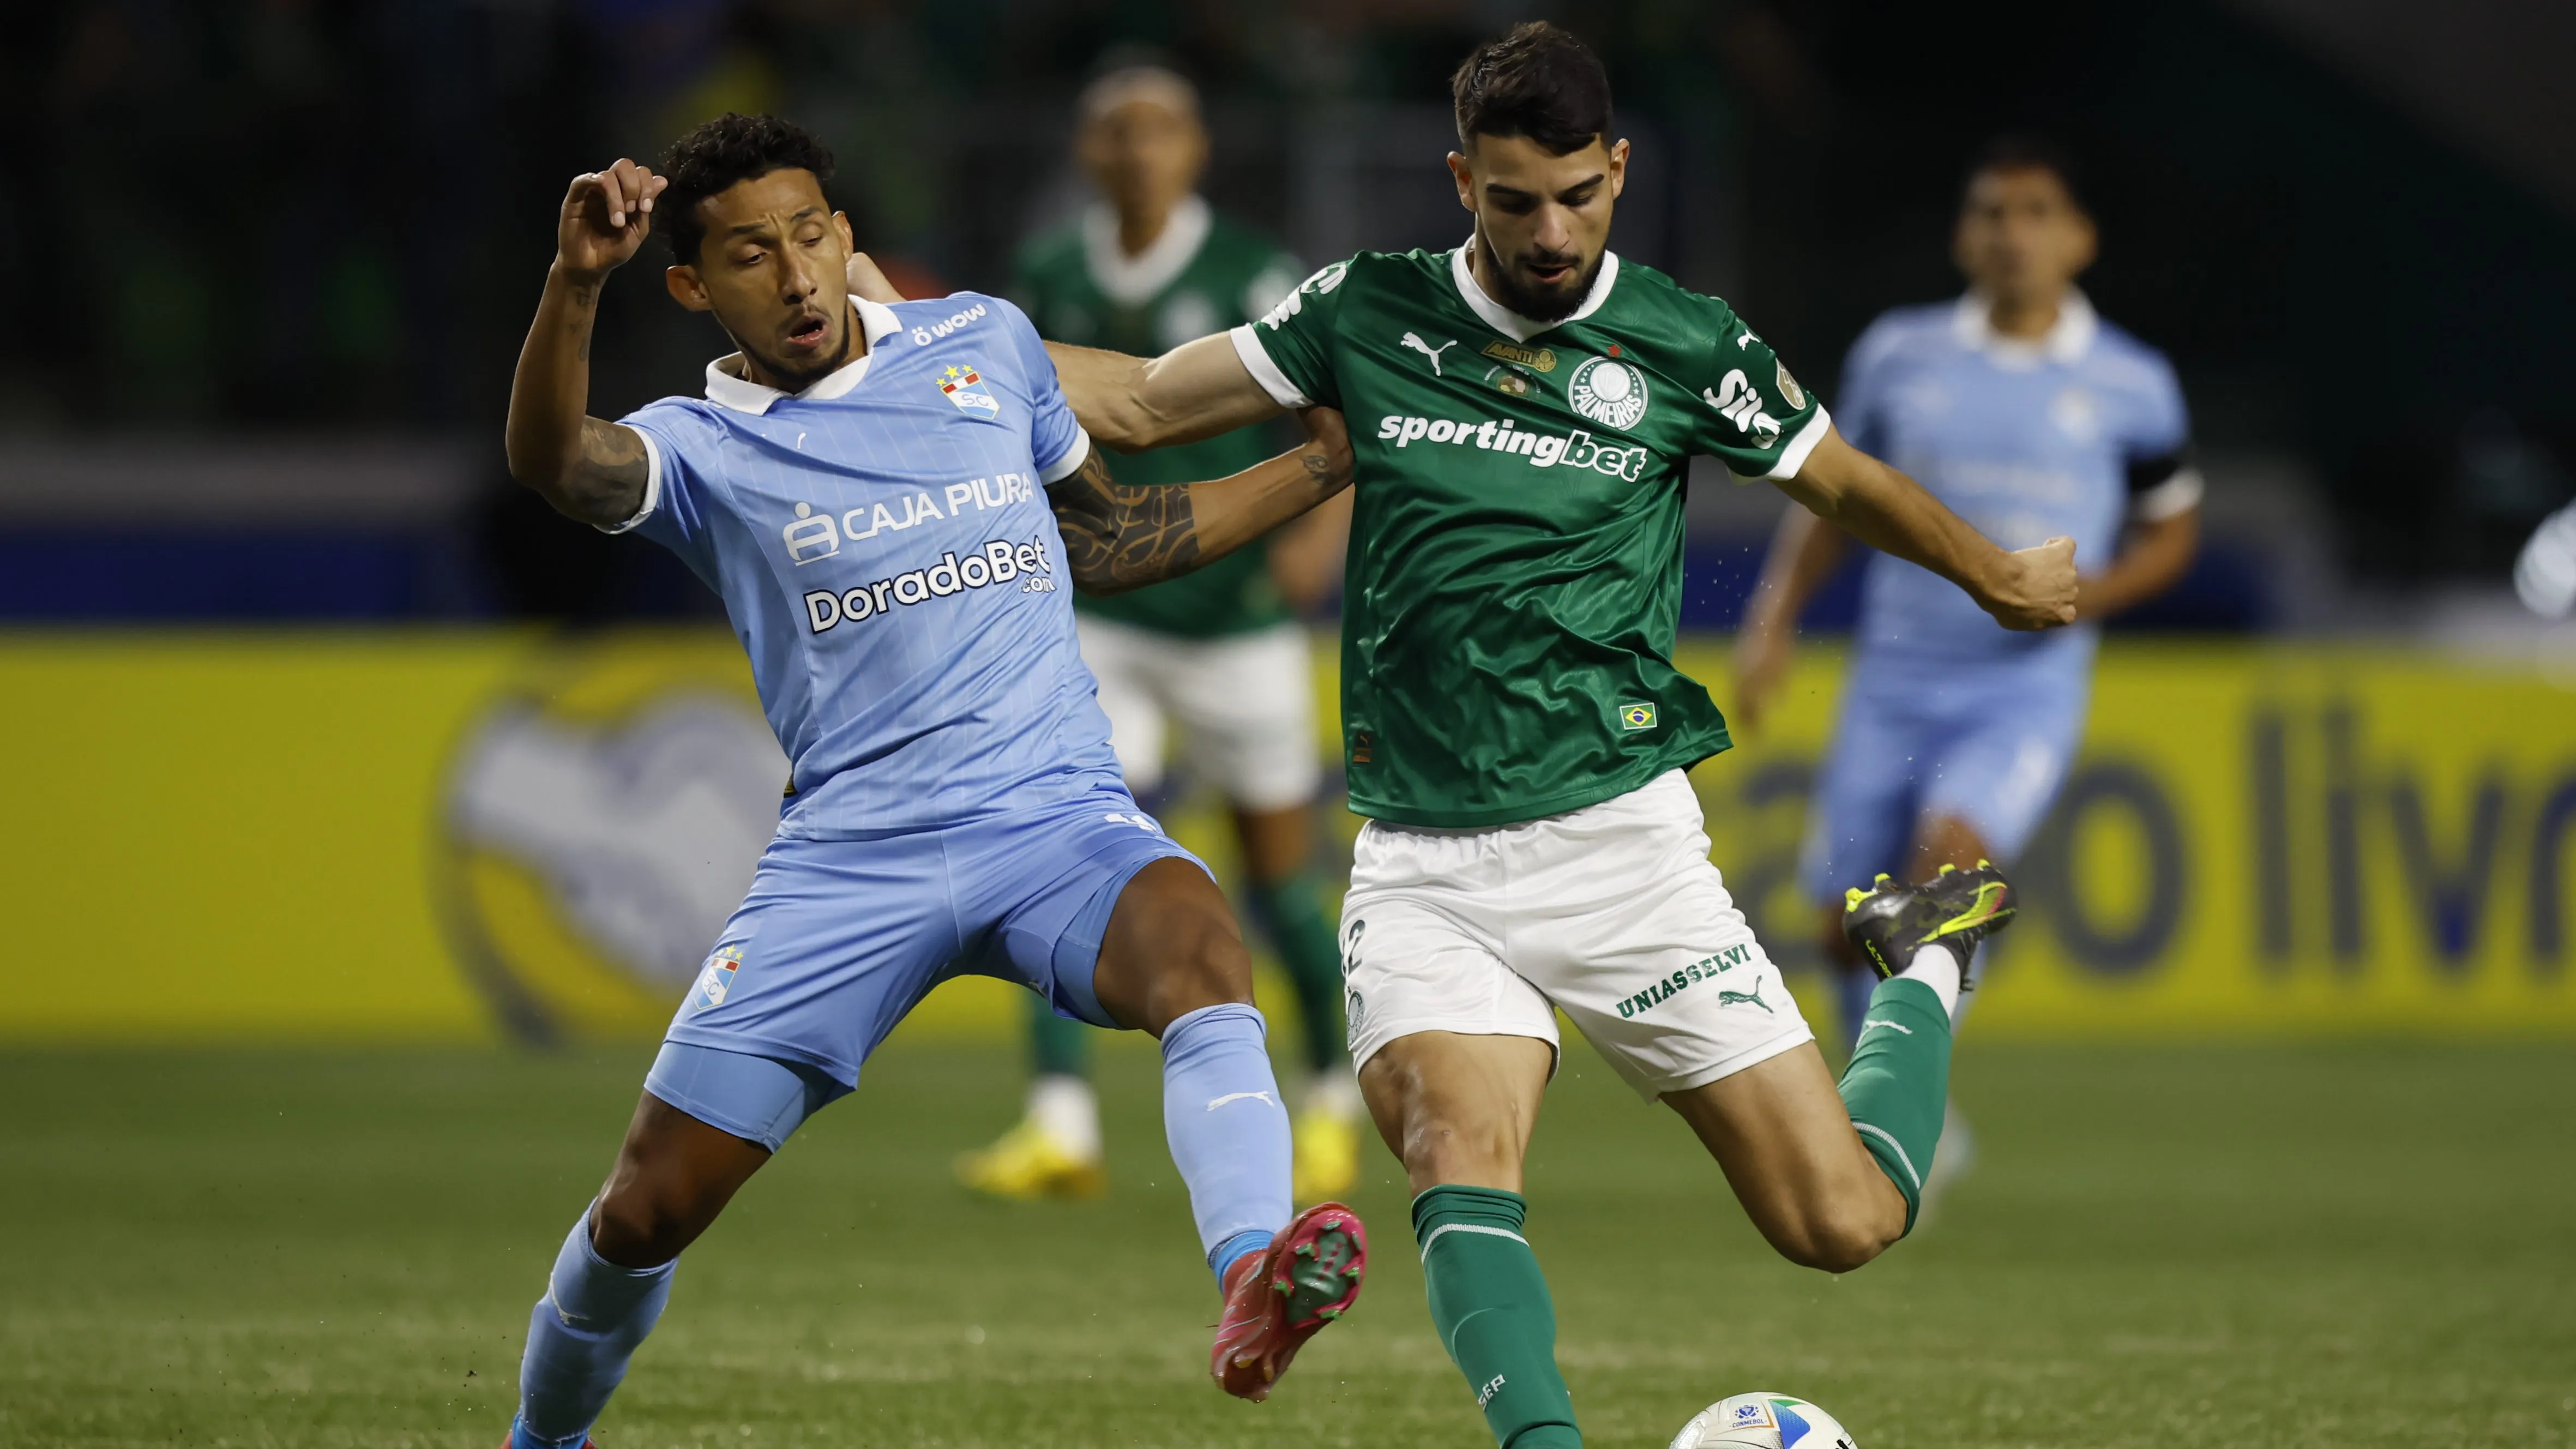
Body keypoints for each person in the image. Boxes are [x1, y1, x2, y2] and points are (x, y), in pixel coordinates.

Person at [1038, 24, 2077, 1449]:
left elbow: (1838, 480)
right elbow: (1147, 403)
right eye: (1513, 200)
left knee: (1842, 1221)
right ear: (1462, 179)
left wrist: (1993, 571)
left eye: (1578, 196)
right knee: (1455, 1154)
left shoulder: (1682, 340)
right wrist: (910, 350)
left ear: (1618, 172)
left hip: (1621, 848)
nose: (1549, 232)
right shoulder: (1365, 311)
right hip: (1424, 866)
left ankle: (1928, 954)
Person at [493, 113, 1370, 1447]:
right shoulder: (699, 447)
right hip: (852, 863)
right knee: (644, 1208)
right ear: (692, 286)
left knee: (1201, 947)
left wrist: (1317, 463)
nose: (790, 278)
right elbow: (555, 463)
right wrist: (572, 285)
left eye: (806, 236)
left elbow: (1117, 536)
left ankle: (1252, 1275)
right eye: (746, 254)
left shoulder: (982, 343)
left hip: (1056, 821)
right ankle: (540, 1439)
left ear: (844, 238)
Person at [1732, 137, 2202, 1213]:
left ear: (2078, 237)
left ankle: (1903, 1127)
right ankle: (1880, 1101)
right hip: (1894, 678)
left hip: (2021, 687)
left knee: (1948, 864)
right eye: (1992, 212)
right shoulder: (1901, 355)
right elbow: (1837, 499)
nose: (2012, 233)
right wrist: (1772, 620)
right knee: (1843, 917)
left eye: (2037, 212)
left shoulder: (2131, 383)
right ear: (1962, 234)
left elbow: (2172, 534)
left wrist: (2083, 603)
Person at [956, 62, 1363, 1206]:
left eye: (1159, 130)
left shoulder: (1249, 270)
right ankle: (1059, 1121)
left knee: (1278, 870)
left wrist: (1316, 537)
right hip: (1101, 619)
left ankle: (1332, 1097)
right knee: (1065, 857)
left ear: (1194, 149)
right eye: (1115, 133)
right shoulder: (1044, 274)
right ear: (1089, 154)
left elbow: (1330, 398)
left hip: (1235, 618)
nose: (1138, 150)